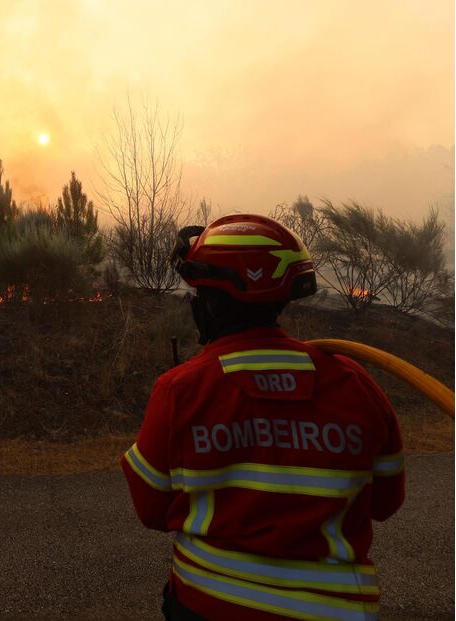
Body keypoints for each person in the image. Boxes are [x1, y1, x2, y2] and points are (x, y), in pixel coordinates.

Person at [120, 214, 404, 621]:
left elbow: (151, 510)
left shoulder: (181, 390)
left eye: (198, 294)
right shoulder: (355, 385)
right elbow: (386, 502)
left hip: (209, 606)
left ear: (210, 304)